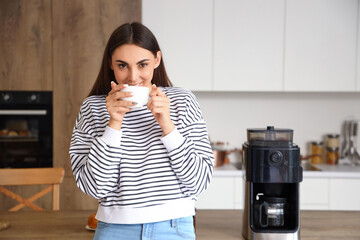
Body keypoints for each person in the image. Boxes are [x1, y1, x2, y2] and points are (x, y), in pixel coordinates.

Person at [69, 22, 214, 240]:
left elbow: (199, 181)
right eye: (123, 66)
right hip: (114, 230)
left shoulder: (182, 101)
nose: (133, 77)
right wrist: (114, 124)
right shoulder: (94, 108)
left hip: (174, 228)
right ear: (111, 64)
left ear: (157, 59)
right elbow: (95, 187)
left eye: (142, 64)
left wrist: (167, 125)